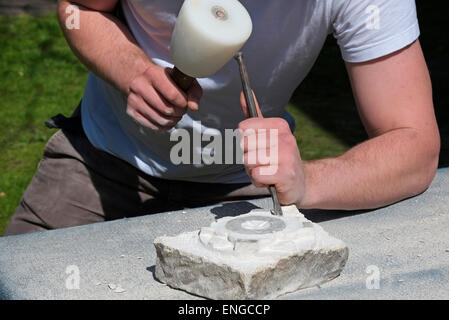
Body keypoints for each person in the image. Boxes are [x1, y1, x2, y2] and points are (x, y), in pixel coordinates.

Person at [4, 0, 440, 236]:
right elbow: (81, 8)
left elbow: (414, 143)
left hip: (246, 185)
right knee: (24, 277)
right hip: (101, 162)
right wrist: (130, 71)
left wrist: (308, 181)